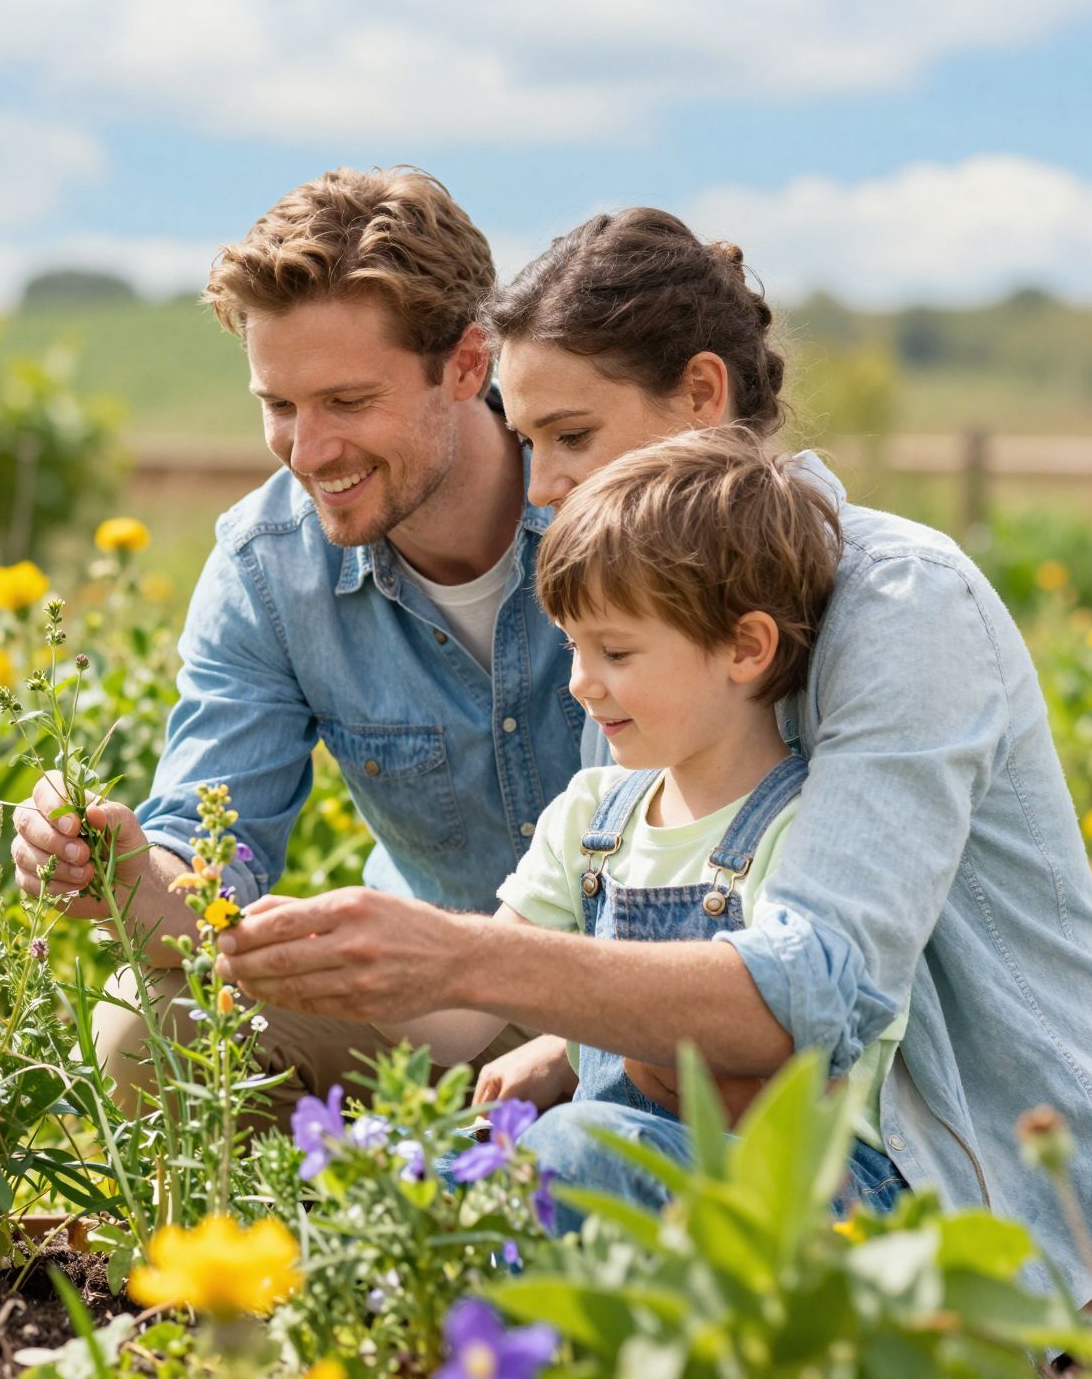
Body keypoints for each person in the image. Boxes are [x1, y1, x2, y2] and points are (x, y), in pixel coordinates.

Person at [212, 208, 1092, 1298]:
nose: (538, 486)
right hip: (762, 1146)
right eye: (526, 441)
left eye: (571, 436)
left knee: (560, 1175)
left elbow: (814, 987)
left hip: (995, 1178)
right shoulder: (638, 622)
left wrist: (464, 959)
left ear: (703, 398)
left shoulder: (898, 601)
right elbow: (624, 898)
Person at [11, 166, 583, 1115]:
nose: (308, 451)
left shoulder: (604, 506)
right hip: (429, 1004)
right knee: (145, 1027)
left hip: (637, 994)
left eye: (348, 403)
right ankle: (338, 1249)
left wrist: (584, 1035)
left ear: (468, 366)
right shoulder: (267, 570)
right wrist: (118, 875)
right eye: (279, 405)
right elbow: (207, 871)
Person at [385, 426, 912, 1224]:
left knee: (571, 1151)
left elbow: (812, 1084)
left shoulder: (810, 836)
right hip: (625, 1171)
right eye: (571, 647)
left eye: (617, 652)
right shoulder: (593, 818)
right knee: (425, 1173)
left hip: (810, 1194)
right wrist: (319, 959)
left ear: (746, 647)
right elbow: (461, 1013)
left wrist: (612, 1047)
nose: (581, 685)